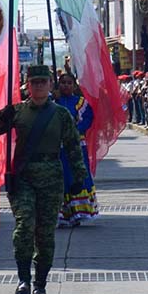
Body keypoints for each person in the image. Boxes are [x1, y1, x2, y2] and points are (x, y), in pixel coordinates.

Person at [0, 65, 86, 294]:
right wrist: (3, 115)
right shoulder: (18, 112)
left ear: (50, 85)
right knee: (24, 227)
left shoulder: (61, 115)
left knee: (45, 234)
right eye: (34, 82)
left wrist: (79, 177)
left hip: (52, 178)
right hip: (24, 177)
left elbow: (73, 147)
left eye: (43, 82)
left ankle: (40, 283)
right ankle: (23, 278)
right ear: (27, 85)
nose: (39, 86)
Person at [54, 73, 98, 226]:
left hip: (77, 147)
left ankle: (78, 211)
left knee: (77, 176)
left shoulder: (81, 103)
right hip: (57, 148)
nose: (65, 85)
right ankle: (62, 213)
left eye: (69, 83)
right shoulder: (53, 101)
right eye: (63, 82)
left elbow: (88, 119)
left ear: (74, 85)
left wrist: (75, 131)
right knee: (61, 178)